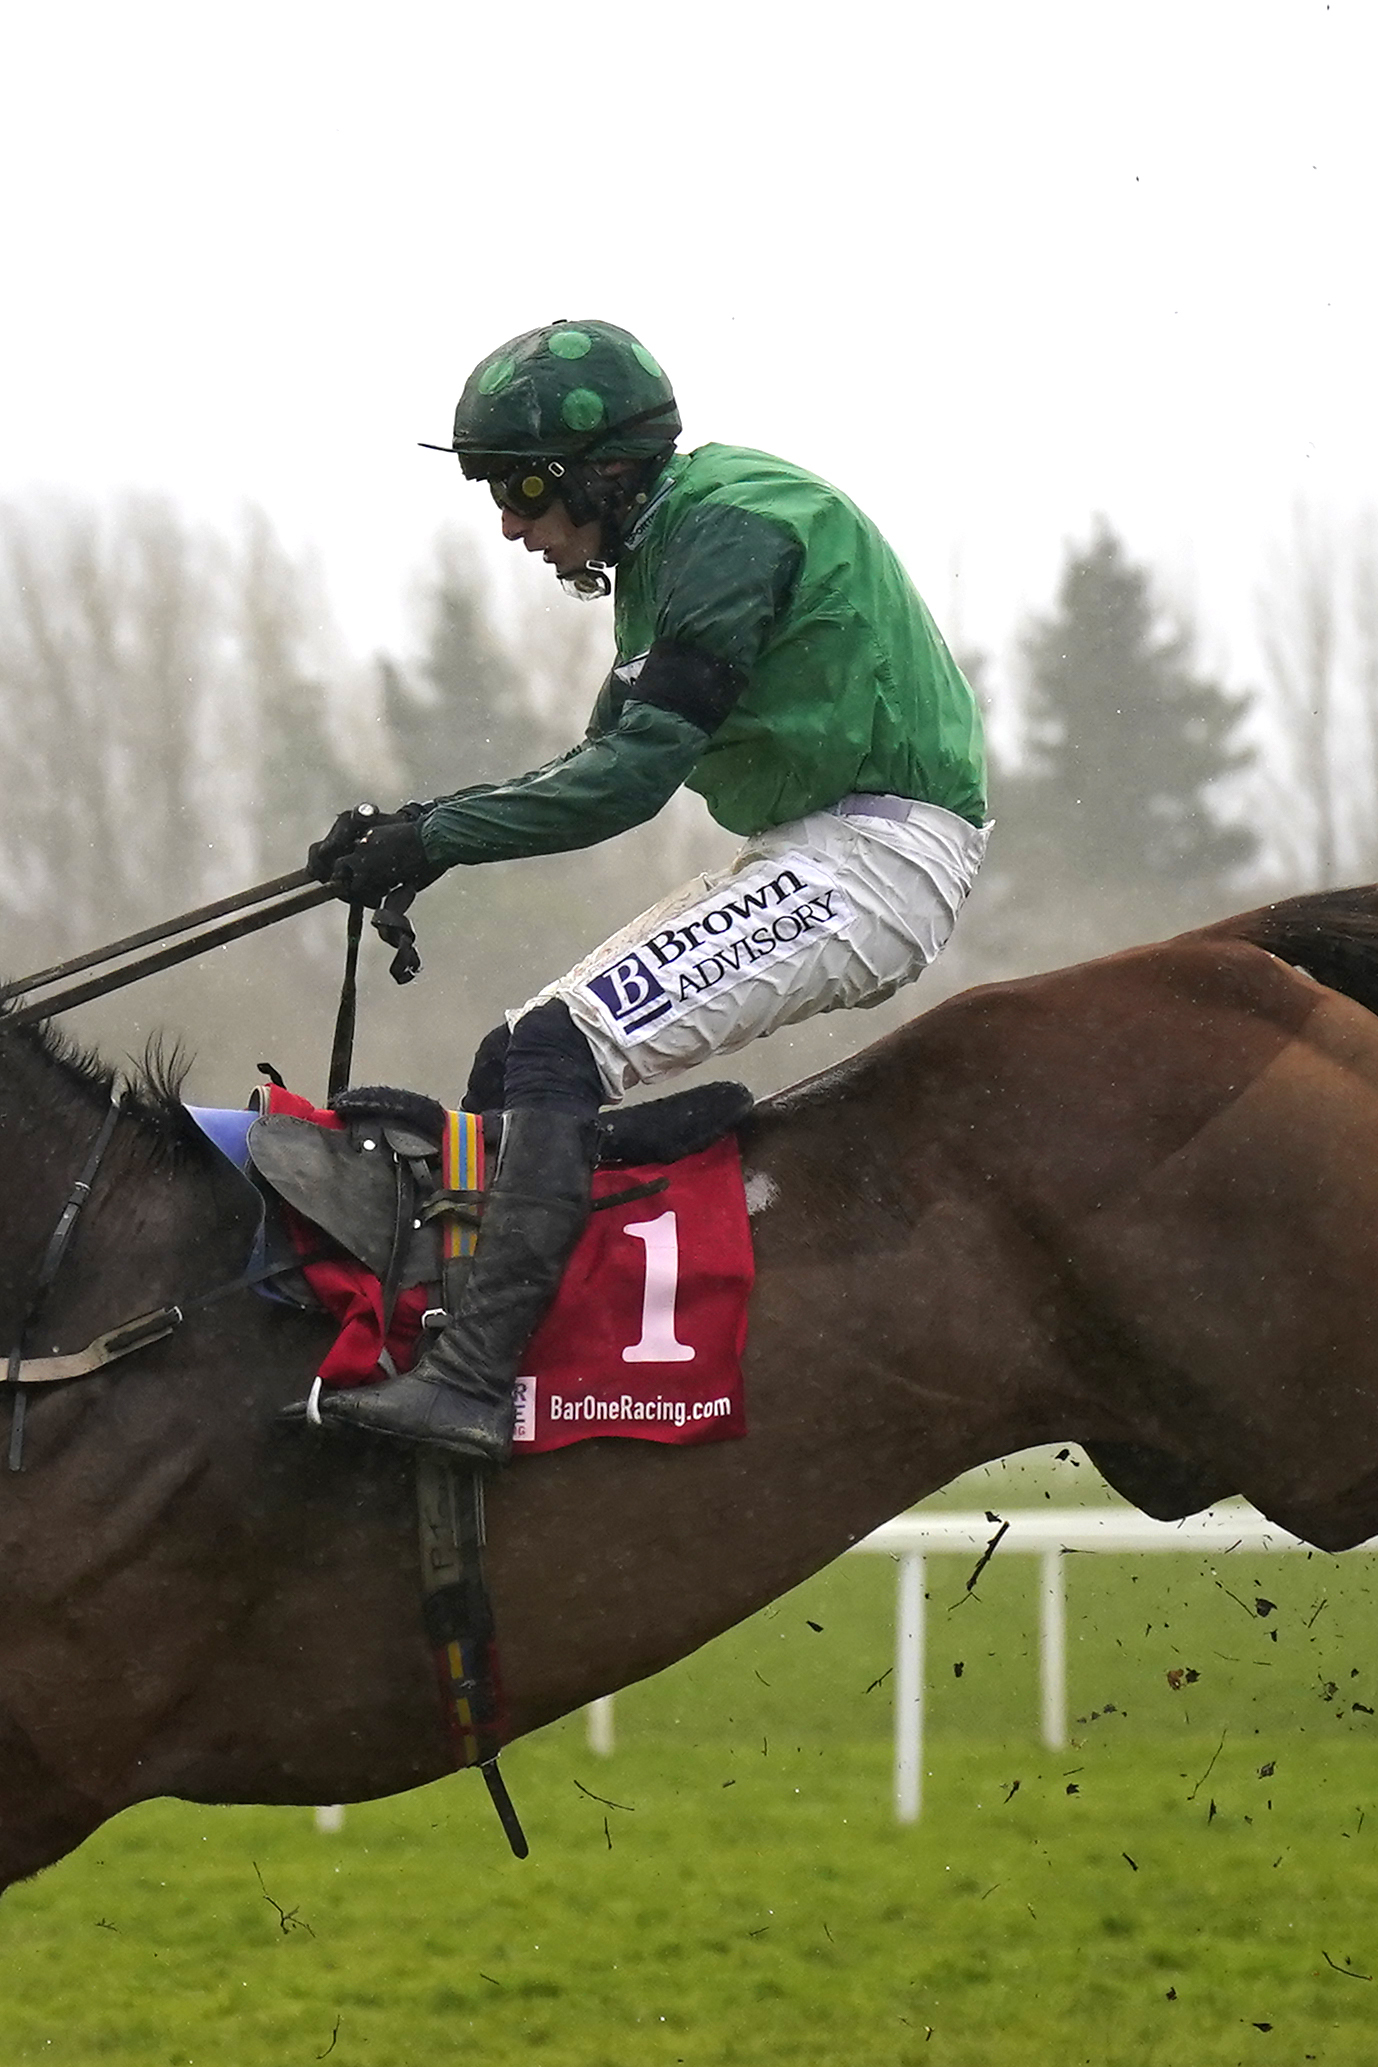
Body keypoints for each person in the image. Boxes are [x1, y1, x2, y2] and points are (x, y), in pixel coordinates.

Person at [304, 321, 992, 1463]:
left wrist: (436, 837)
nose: (512, 526)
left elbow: (624, 786)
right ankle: (511, 1368)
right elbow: (589, 768)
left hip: (877, 857)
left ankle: (477, 1384)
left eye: (520, 490)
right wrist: (407, 829)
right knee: (510, 1060)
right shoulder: (670, 546)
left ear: (599, 469)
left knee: (556, 1057)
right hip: (812, 846)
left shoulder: (725, 529)